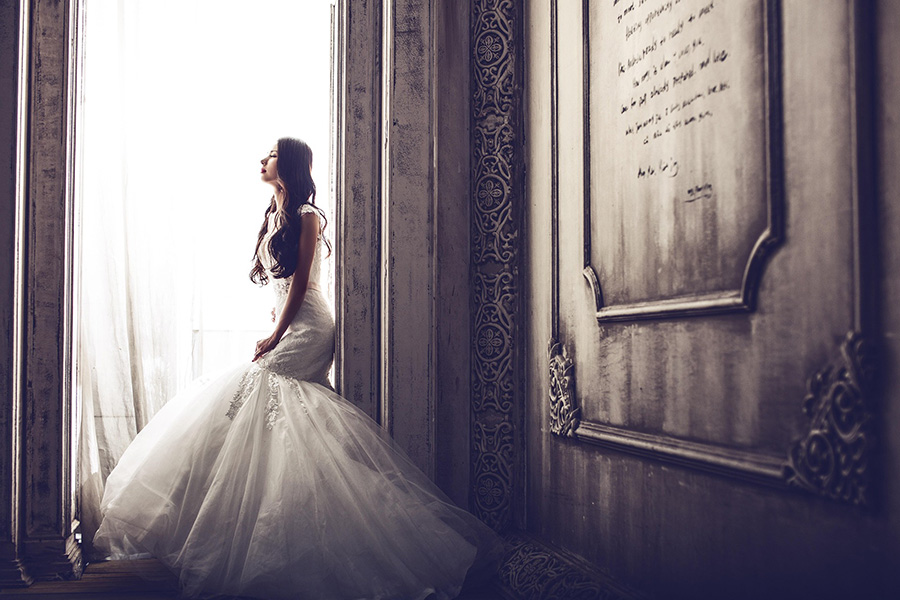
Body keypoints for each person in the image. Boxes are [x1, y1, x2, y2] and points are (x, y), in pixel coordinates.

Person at [93, 137, 502, 600]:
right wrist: (273, 320)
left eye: (268, 154)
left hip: (309, 328)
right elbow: (280, 283)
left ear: (286, 164)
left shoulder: (308, 216)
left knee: (259, 389)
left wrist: (276, 333)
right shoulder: (273, 214)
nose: (261, 160)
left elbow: (303, 281)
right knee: (259, 411)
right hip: (288, 321)